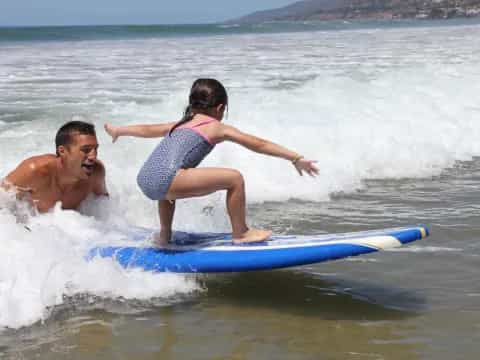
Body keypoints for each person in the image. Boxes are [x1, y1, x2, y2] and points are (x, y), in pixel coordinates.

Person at [104, 78, 318, 245]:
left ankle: (164, 235)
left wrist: (119, 130)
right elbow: (258, 143)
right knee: (234, 178)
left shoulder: (179, 124)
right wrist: (295, 158)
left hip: (145, 179)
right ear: (219, 108)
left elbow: (147, 129)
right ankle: (241, 232)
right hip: (168, 179)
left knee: (169, 190)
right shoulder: (216, 127)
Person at [1, 120, 108, 213]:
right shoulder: (34, 171)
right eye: (86, 150)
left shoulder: (96, 173)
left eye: (95, 149)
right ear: (62, 151)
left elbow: (105, 208)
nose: (93, 156)